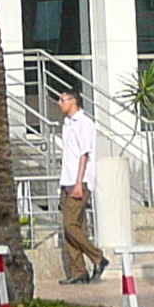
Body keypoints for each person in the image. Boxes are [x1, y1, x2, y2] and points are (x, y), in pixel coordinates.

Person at [54, 91, 107, 286]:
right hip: (67, 181)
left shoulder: (83, 123)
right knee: (74, 229)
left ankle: (98, 257)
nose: (60, 103)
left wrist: (79, 183)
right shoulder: (67, 124)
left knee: (70, 226)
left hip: (79, 182)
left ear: (73, 101)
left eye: (63, 99)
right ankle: (79, 271)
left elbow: (85, 154)